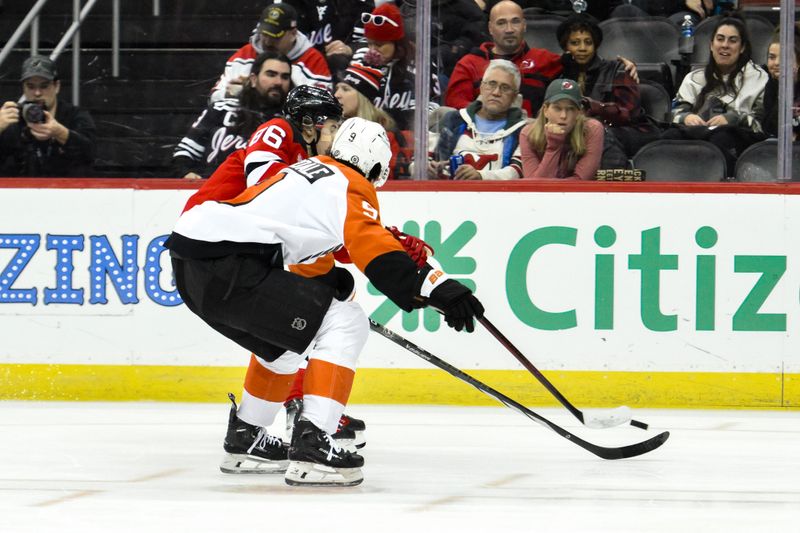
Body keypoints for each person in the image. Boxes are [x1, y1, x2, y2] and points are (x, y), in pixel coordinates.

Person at [165, 117, 485, 486]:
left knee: (285, 346)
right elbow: (373, 247)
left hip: (194, 261)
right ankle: (314, 442)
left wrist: (330, 280)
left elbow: (299, 244)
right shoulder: (351, 184)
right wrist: (436, 289)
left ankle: (247, 437)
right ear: (376, 165)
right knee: (347, 321)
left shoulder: (306, 171)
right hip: (229, 265)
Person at [662, 16, 768, 174]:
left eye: (732, 40)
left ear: (742, 47)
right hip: (700, 132)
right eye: (720, 39)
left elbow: (761, 125)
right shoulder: (694, 78)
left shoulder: (759, 78)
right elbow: (674, 112)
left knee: (721, 137)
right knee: (669, 136)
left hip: (737, 137)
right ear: (711, 45)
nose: (725, 45)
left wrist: (733, 118)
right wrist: (686, 117)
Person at [172, 50, 292, 180]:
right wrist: (187, 174)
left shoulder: (292, 123)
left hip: (263, 194)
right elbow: (184, 153)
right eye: (271, 74)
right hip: (213, 191)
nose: (278, 82)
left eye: (285, 77)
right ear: (253, 79)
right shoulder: (220, 109)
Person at [556, 13, 661, 160]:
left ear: (596, 44)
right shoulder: (560, 72)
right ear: (565, 46)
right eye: (575, 43)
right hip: (582, 132)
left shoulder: (618, 69)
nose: (582, 48)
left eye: (588, 42)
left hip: (623, 132)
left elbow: (629, 113)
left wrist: (594, 107)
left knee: (595, 133)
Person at [446, 0, 562, 118]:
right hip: (481, 134)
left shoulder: (545, 59)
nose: (509, 29)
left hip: (532, 133)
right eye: (501, 23)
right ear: (490, 28)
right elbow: (455, 106)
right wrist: (495, 115)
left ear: (524, 25)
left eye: (515, 22)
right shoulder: (469, 64)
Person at [210, 3, 332, 103]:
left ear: (293, 34)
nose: (267, 42)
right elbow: (214, 96)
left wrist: (255, 91)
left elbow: (321, 107)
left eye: (275, 37)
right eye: (265, 34)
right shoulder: (244, 54)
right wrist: (229, 93)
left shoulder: (313, 60)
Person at [0, 55, 96, 177]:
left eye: (44, 86)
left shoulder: (74, 115)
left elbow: (90, 153)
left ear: (57, 86)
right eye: (30, 86)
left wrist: (60, 132)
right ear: (23, 88)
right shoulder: (11, 117)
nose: (37, 93)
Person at [431, 59, 527, 180]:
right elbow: (419, 162)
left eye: (505, 88)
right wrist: (429, 168)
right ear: (482, 87)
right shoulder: (454, 119)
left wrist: (481, 176)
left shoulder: (523, 131)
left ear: (514, 96)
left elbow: (517, 172)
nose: (496, 92)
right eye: (492, 84)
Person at [351, 2, 441, 131]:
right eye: (369, 43)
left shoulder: (420, 62)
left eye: (379, 44)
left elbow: (433, 104)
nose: (372, 50)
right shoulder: (360, 57)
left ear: (396, 43)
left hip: (408, 133)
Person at [334, 60, 410, 179]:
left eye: (345, 89)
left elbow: (383, 180)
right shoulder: (329, 130)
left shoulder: (386, 137)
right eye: (337, 89)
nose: (337, 95)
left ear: (363, 97)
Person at [519, 78, 604, 179]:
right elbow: (536, 187)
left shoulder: (592, 129)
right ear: (546, 110)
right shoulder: (528, 134)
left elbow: (581, 180)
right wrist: (554, 146)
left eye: (570, 109)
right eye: (557, 108)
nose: (563, 116)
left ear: (579, 112)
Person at [276, 0, 375, 77]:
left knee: (339, 61)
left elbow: (373, 43)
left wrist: (350, 49)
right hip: (296, 65)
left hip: (339, 70)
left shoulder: (359, 4)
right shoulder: (282, 5)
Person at [759, 25, 800, 139]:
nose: (777, 63)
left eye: (784, 57)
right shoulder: (772, 83)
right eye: (772, 57)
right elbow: (768, 127)